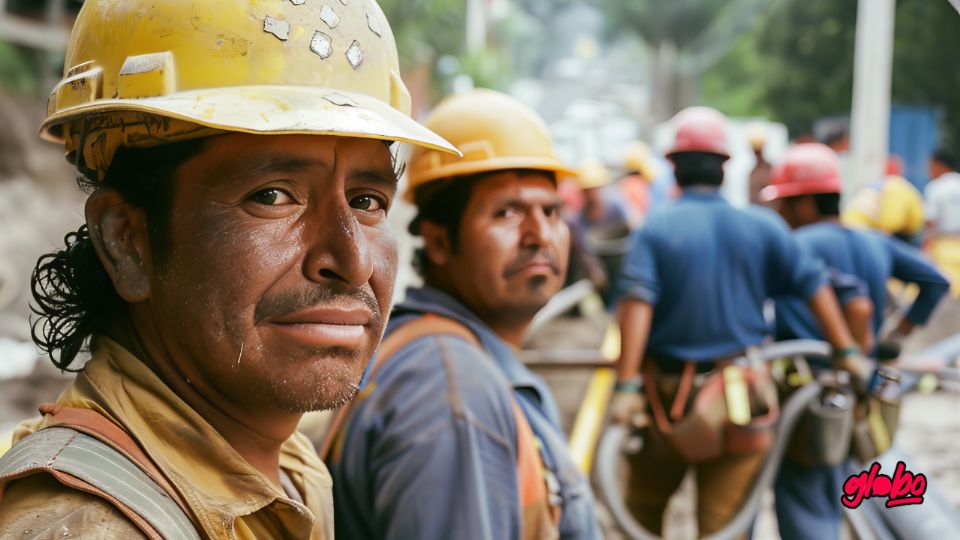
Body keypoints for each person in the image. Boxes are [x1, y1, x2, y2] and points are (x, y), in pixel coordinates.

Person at [0, 1, 458, 538]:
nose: (353, 261)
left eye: (367, 200)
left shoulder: (290, 470)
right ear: (127, 242)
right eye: (273, 196)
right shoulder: (88, 526)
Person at [326, 89, 601, 539]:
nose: (539, 235)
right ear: (438, 241)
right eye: (507, 212)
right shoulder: (450, 389)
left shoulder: (435, 355)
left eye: (551, 211)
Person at [609, 107, 872, 537]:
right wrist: (846, 352)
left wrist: (626, 386)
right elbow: (814, 284)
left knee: (642, 513)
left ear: (673, 165)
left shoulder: (656, 228)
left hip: (665, 399)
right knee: (724, 527)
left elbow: (637, 303)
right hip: (741, 397)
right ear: (725, 166)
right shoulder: (761, 225)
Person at [761, 142, 950, 540]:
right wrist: (894, 339)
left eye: (786, 204)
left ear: (806, 203)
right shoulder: (872, 242)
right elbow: (936, 282)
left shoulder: (796, 247)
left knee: (805, 497)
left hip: (806, 393)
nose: (781, 214)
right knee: (840, 483)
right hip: (859, 392)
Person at [924, 147, 960, 294]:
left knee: (942, 292)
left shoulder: (935, 187)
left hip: (942, 247)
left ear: (938, 165)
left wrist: (926, 245)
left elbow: (931, 221)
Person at [747, 122, 772, 205]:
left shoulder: (771, 170)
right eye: (756, 152)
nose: (757, 155)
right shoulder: (752, 173)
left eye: (758, 152)